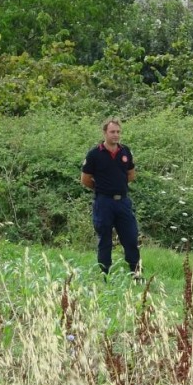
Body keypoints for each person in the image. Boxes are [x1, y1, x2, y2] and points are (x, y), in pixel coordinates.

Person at [81, 118, 141, 278]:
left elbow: (131, 174)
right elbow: (85, 179)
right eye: (112, 132)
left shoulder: (125, 152)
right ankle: (104, 274)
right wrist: (102, 188)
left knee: (130, 237)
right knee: (105, 240)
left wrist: (118, 186)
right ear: (104, 133)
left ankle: (136, 273)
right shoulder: (94, 154)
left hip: (122, 202)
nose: (116, 135)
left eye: (118, 132)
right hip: (104, 203)